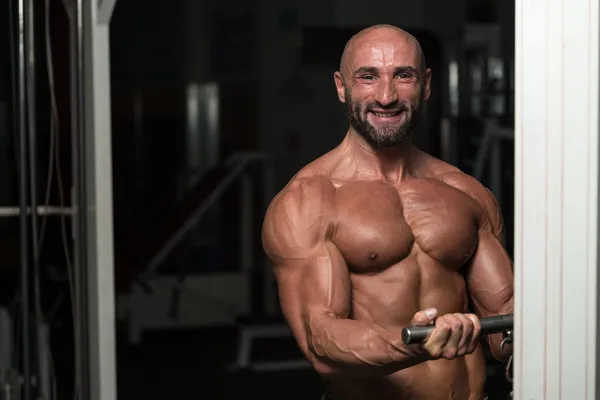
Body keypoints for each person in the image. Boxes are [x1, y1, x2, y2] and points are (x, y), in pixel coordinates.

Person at [261, 24, 514, 400]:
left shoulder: (466, 193)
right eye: (368, 77)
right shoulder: (309, 200)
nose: (386, 96)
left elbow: (506, 329)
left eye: (403, 76)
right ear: (341, 87)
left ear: (426, 85)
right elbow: (322, 341)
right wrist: (414, 345)